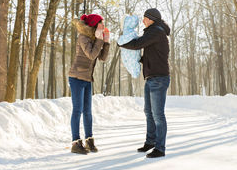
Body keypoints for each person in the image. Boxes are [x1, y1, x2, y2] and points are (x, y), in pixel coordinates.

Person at [118, 8, 170, 158]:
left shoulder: (157, 31)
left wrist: (121, 44)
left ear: (151, 19)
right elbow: (149, 55)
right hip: (151, 77)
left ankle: (160, 148)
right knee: (149, 112)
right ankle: (151, 141)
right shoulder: (153, 32)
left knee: (158, 114)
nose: (143, 20)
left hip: (159, 78)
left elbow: (137, 44)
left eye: (145, 18)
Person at [69, 14, 110, 155]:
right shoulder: (83, 37)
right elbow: (91, 55)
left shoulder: (94, 38)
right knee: (78, 109)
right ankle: (75, 142)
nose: (103, 26)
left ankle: (89, 140)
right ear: (94, 24)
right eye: (101, 23)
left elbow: (102, 58)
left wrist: (106, 42)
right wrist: (99, 40)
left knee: (88, 111)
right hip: (76, 77)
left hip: (87, 78)